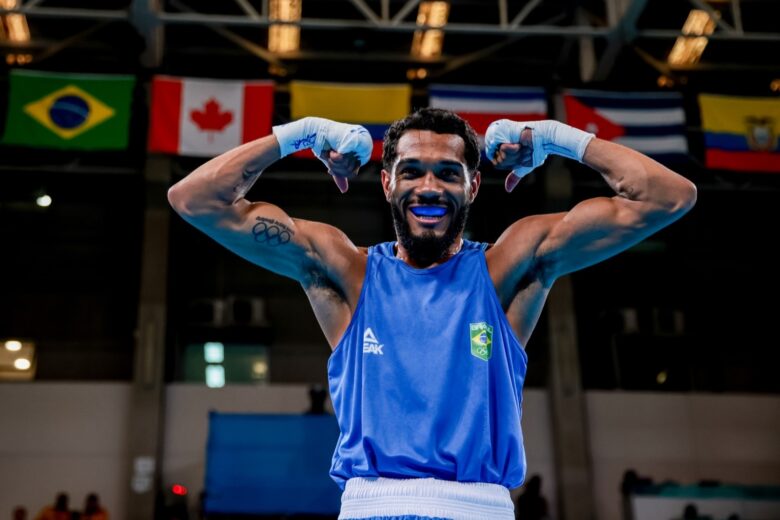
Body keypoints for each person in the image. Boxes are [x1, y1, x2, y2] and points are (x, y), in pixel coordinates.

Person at [168, 108, 696, 519]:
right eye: (412, 171)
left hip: (480, 507)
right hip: (370, 507)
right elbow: (194, 199)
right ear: (387, 183)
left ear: (471, 186)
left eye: (448, 173)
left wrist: (558, 136)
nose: (428, 187)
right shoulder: (344, 271)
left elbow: (668, 197)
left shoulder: (509, 267)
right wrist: (299, 133)